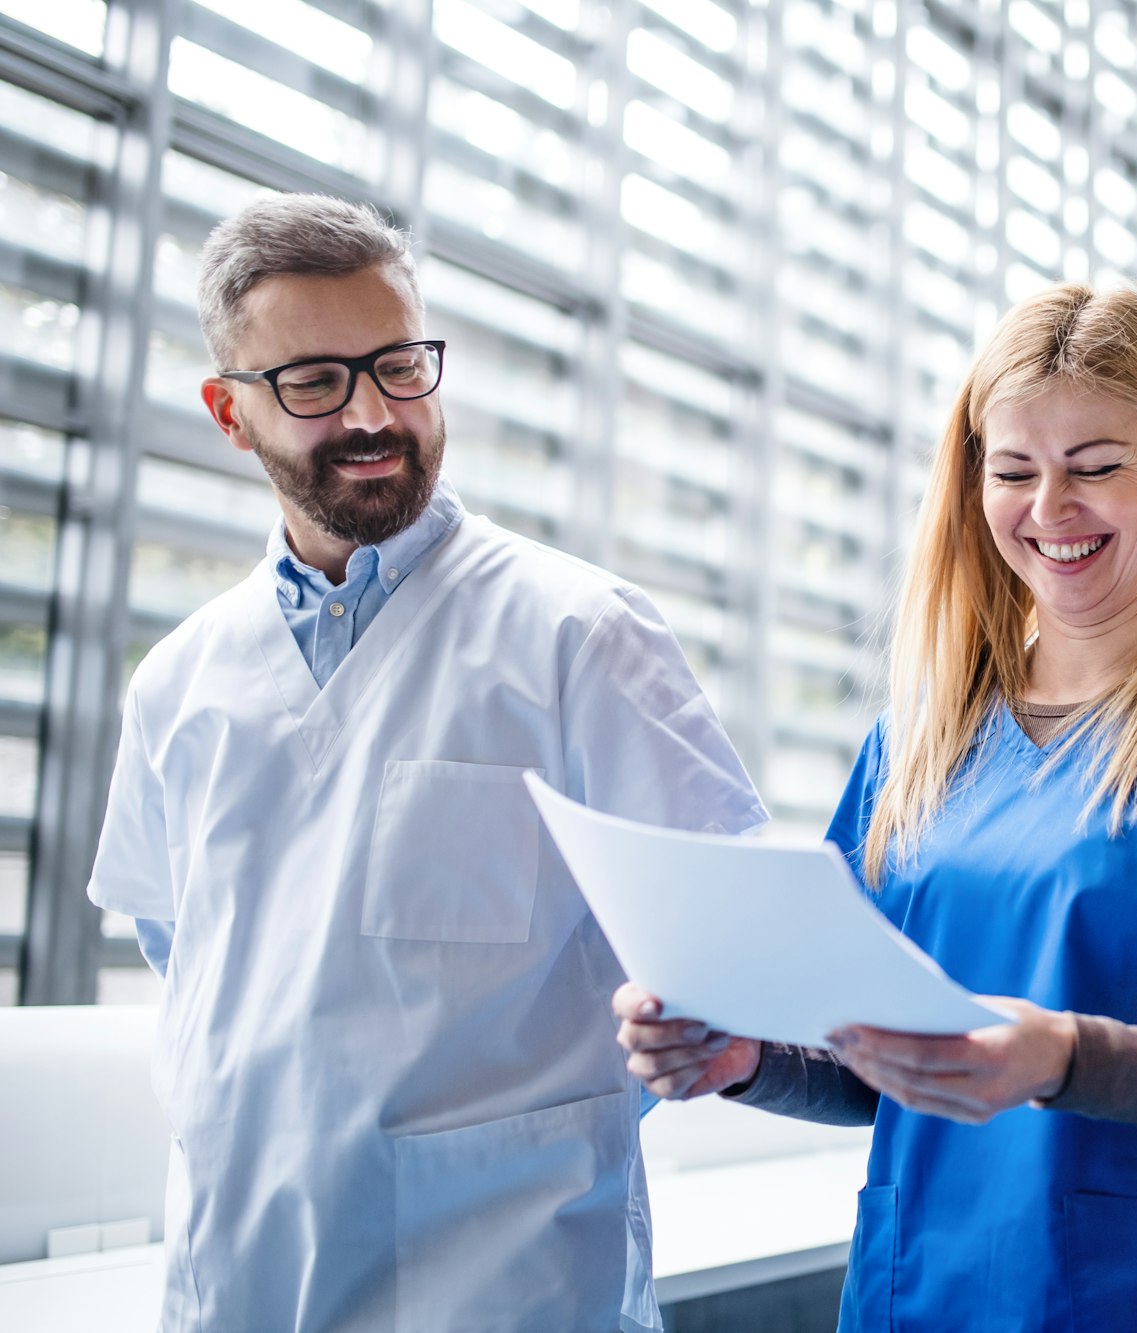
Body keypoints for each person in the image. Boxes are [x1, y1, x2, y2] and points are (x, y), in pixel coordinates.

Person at [614, 284, 1137, 1331]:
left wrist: (1064, 1055)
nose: (1049, 509)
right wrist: (743, 1059)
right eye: (1013, 471)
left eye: (1095, 466)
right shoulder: (918, 739)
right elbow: (869, 1061)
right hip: (924, 1291)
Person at [87, 195, 765, 1333]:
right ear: (227, 411)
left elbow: (733, 944)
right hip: (236, 1283)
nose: (371, 413)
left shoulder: (578, 637)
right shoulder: (178, 683)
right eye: (312, 382)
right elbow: (199, 975)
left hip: (509, 1291)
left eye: (398, 366)